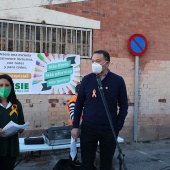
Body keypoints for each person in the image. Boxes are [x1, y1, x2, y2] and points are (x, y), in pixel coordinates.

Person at [71, 50, 128, 170]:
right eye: (92, 61)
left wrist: (118, 124)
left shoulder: (118, 81)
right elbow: (79, 104)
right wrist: (75, 126)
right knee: (86, 164)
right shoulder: (87, 80)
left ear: (107, 63)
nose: (94, 64)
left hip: (109, 130)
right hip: (88, 128)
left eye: (98, 61)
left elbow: (124, 105)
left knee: (106, 164)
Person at [0, 74, 25, 170]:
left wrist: (21, 128)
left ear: (11, 87)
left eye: (7, 85)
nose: (4, 88)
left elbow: (21, 123)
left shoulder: (16, 104)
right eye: (1, 85)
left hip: (11, 147)